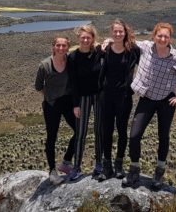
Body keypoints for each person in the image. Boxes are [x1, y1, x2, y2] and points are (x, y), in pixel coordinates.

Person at [122, 22, 176, 190]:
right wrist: (108, 42)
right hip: (147, 98)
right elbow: (128, 41)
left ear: (170, 38)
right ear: (154, 36)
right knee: (134, 135)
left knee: (163, 136)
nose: (162, 39)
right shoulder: (146, 47)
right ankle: (134, 169)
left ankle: (159, 173)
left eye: (166, 36)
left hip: (166, 101)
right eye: (159, 35)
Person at [94, 19, 141, 181]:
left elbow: (149, 59)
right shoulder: (105, 49)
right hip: (106, 96)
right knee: (106, 130)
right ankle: (107, 167)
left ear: (125, 32)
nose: (118, 34)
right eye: (115, 31)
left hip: (124, 97)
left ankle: (119, 165)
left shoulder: (133, 50)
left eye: (121, 31)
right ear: (111, 33)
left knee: (122, 131)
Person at [34, 35, 77, 185]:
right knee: (52, 136)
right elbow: (38, 86)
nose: (61, 48)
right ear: (53, 47)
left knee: (79, 131)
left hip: (68, 102)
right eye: (58, 45)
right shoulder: (45, 65)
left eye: (64, 45)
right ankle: (52, 170)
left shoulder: (70, 61)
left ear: (68, 47)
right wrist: (50, 96)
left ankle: (66, 162)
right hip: (52, 104)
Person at [66, 24, 104, 180]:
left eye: (88, 37)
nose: (86, 40)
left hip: (99, 97)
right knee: (80, 133)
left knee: (99, 131)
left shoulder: (99, 53)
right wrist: (75, 105)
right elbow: (73, 83)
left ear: (93, 38)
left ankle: (99, 164)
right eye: (83, 37)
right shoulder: (73, 57)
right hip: (82, 98)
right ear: (78, 38)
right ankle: (77, 167)